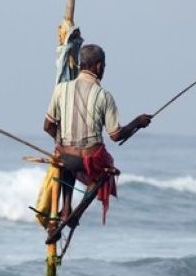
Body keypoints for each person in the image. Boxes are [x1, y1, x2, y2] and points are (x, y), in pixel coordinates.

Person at [43, 44, 151, 223]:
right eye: (104, 67)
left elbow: (48, 126)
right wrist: (137, 122)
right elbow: (115, 135)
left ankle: (66, 209)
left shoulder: (60, 89)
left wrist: (61, 141)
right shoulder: (104, 96)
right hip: (91, 160)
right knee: (105, 170)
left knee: (64, 160)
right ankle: (76, 213)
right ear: (99, 66)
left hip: (67, 158)